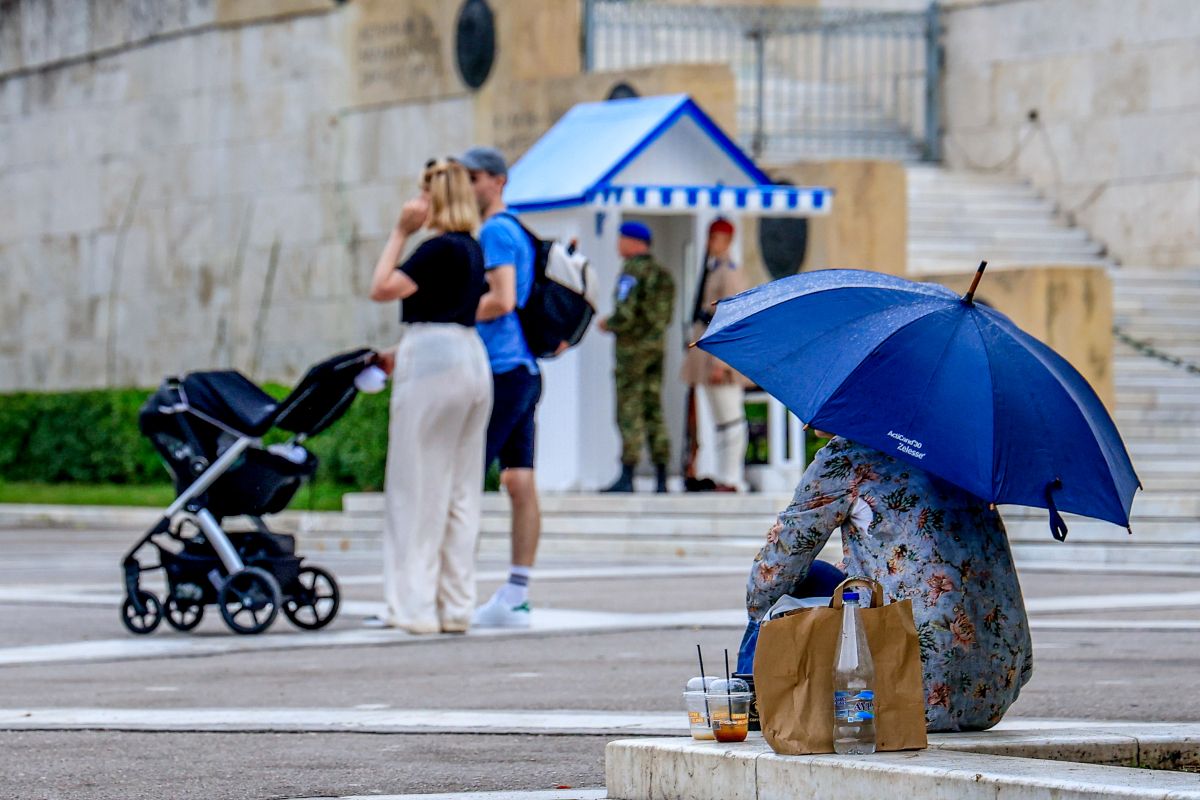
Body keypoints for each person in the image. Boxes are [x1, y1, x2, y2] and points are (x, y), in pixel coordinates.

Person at [740, 435, 1033, 732]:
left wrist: (758, 619)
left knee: (795, 583)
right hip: (994, 690)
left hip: (911, 691)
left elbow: (773, 573)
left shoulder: (848, 456)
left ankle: (750, 702)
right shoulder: (959, 450)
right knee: (833, 579)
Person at [366, 157, 492, 634]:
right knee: (461, 490)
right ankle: (456, 605)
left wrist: (400, 232)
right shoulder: (472, 249)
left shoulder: (435, 248)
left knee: (415, 485)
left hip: (433, 359)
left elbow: (381, 287)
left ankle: (413, 606)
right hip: (469, 356)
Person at [459, 146, 544, 629]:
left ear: (496, 181)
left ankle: (451, 584)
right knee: (518, 480)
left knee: (467, 474)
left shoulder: (494, 230)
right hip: (524, 369)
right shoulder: (515, 229)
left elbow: (503, 298)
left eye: (473, 178)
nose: (468, 188)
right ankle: (516, 592)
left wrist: (450, 314)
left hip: (502, 368)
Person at [598, 221, 676, 493]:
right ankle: (662, 475)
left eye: (621, 239)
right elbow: (665, 317)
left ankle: (628, 473)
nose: (619, 245)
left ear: (633, 241)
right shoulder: (663, 274)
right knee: (653, 407)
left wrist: (609, 323)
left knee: (629, 407)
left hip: (632, 352)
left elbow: (626, 313)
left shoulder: (631, 272)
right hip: (656, 349)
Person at [680, 217, 751, 493]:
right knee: (721, 422)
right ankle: (723, 475)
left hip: (720, 357)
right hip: (708, 353)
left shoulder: (729, 272)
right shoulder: (714, 269)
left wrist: (721, 362)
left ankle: (731, 476)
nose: (710, 244)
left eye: (715, 238)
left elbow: (729, 319)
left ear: (727, 240)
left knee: (730, 420)